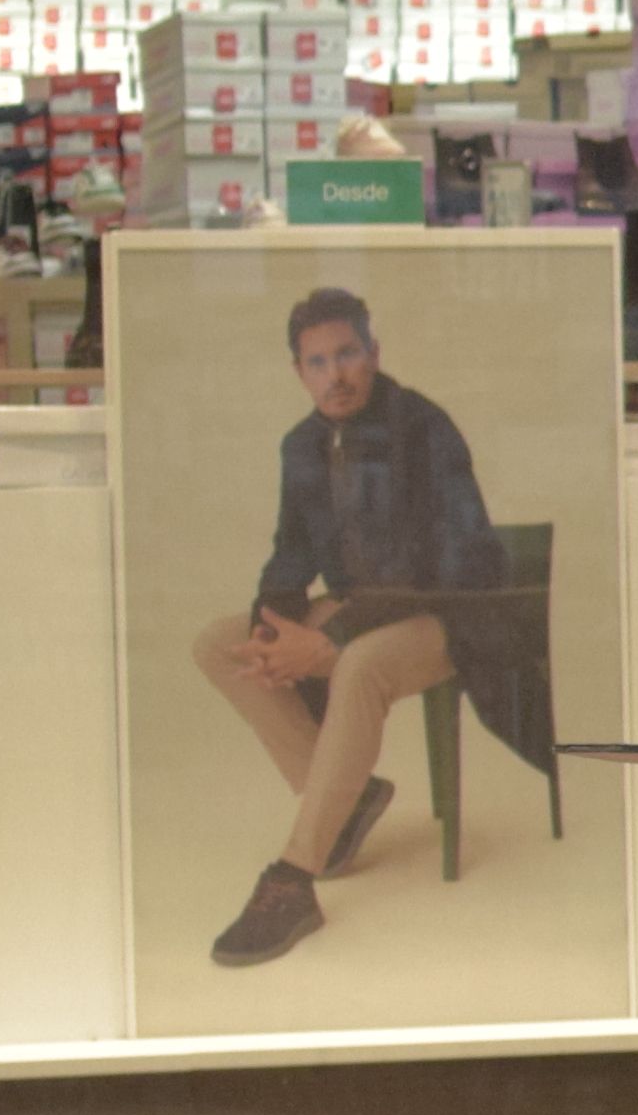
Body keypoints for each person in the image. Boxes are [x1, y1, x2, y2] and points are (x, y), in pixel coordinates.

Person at [188, 284, 512, 971]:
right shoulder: (300, 445)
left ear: (373, 353)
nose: (335, 374)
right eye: (317, 362)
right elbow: (290, 551)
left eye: (347, 355)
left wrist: (331, 639)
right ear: (298, 372)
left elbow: (445, 562)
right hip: (363, 612)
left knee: (359, 662)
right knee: (218, 644)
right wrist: (273, 628)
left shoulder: (423, 425)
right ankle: (347, 796)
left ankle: (295, 876)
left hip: (448, 612)